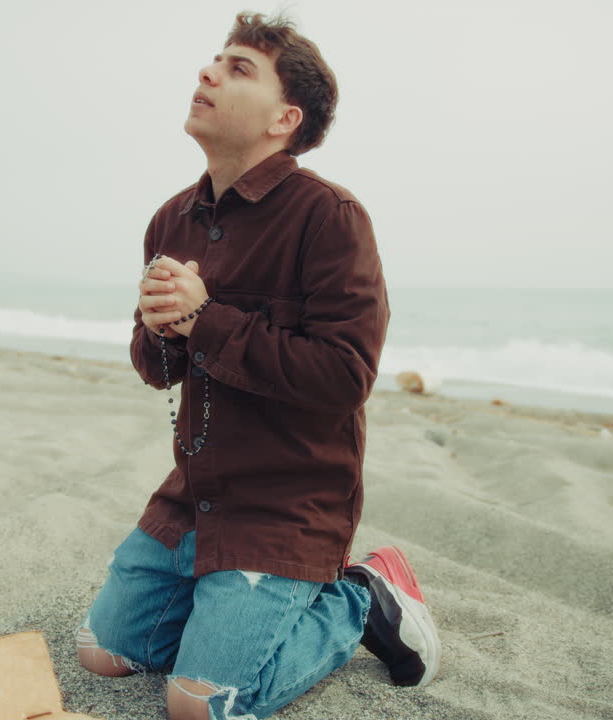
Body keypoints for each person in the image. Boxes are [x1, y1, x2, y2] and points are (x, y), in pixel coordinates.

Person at [75, 12, 441, 720]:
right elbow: (155, 369)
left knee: (201, 706)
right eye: (214, 60)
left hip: (286, 508)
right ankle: (221, 616)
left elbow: (345, 376)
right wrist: (161, 330)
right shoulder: (171, 219)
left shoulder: (330, 216)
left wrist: (204, 319)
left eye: (238, 68)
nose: (208, 72)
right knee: (105, 653)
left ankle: (360, 597)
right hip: (195, 497)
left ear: (284, 119)